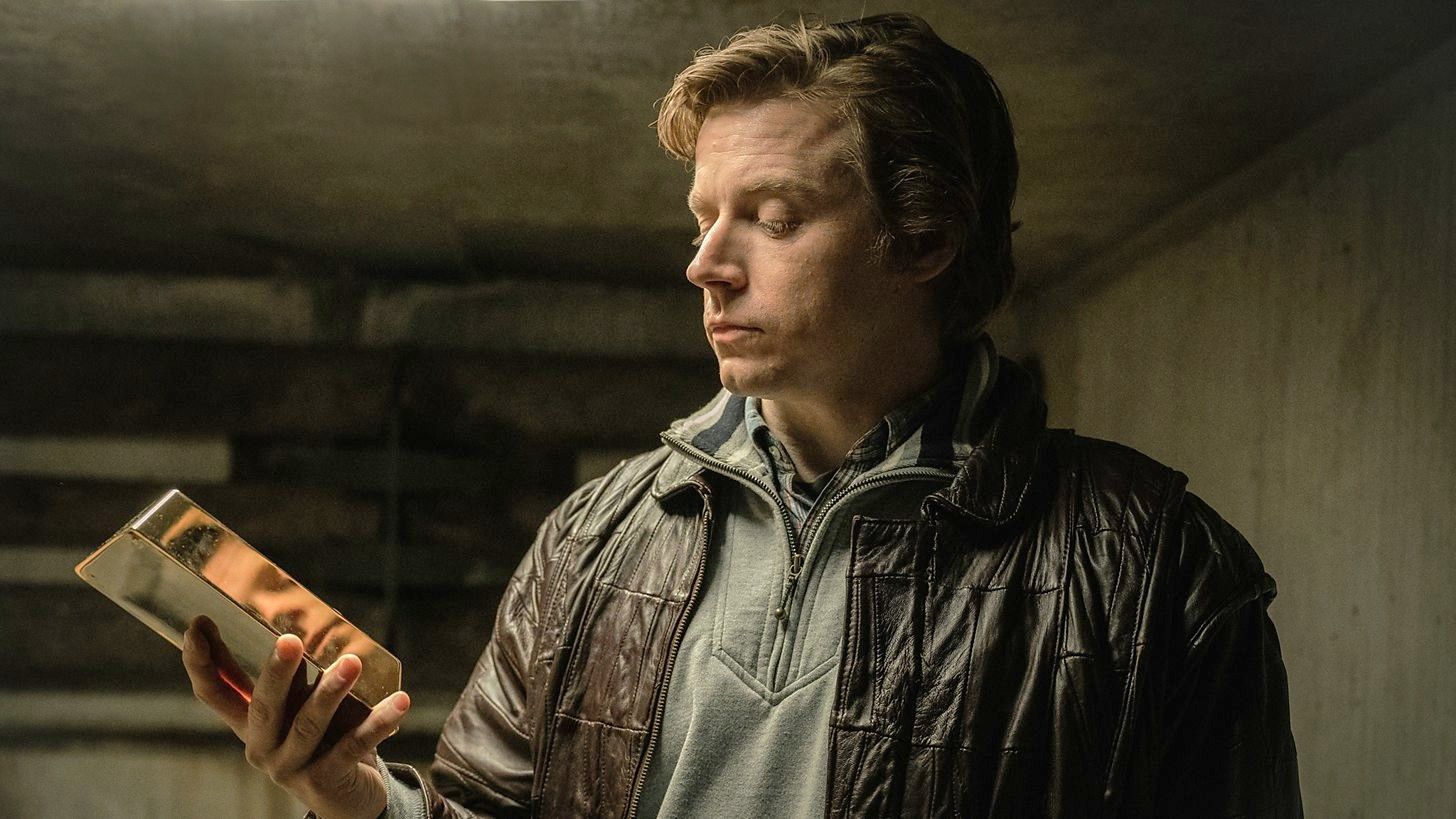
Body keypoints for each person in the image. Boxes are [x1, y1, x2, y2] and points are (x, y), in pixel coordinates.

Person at [182, 12, 1302, 817]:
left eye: (771, 217)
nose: (705, 265)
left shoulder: (1154, 565)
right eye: (703, 218)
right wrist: (359, 797)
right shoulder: (596, 537)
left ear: (924, 239)